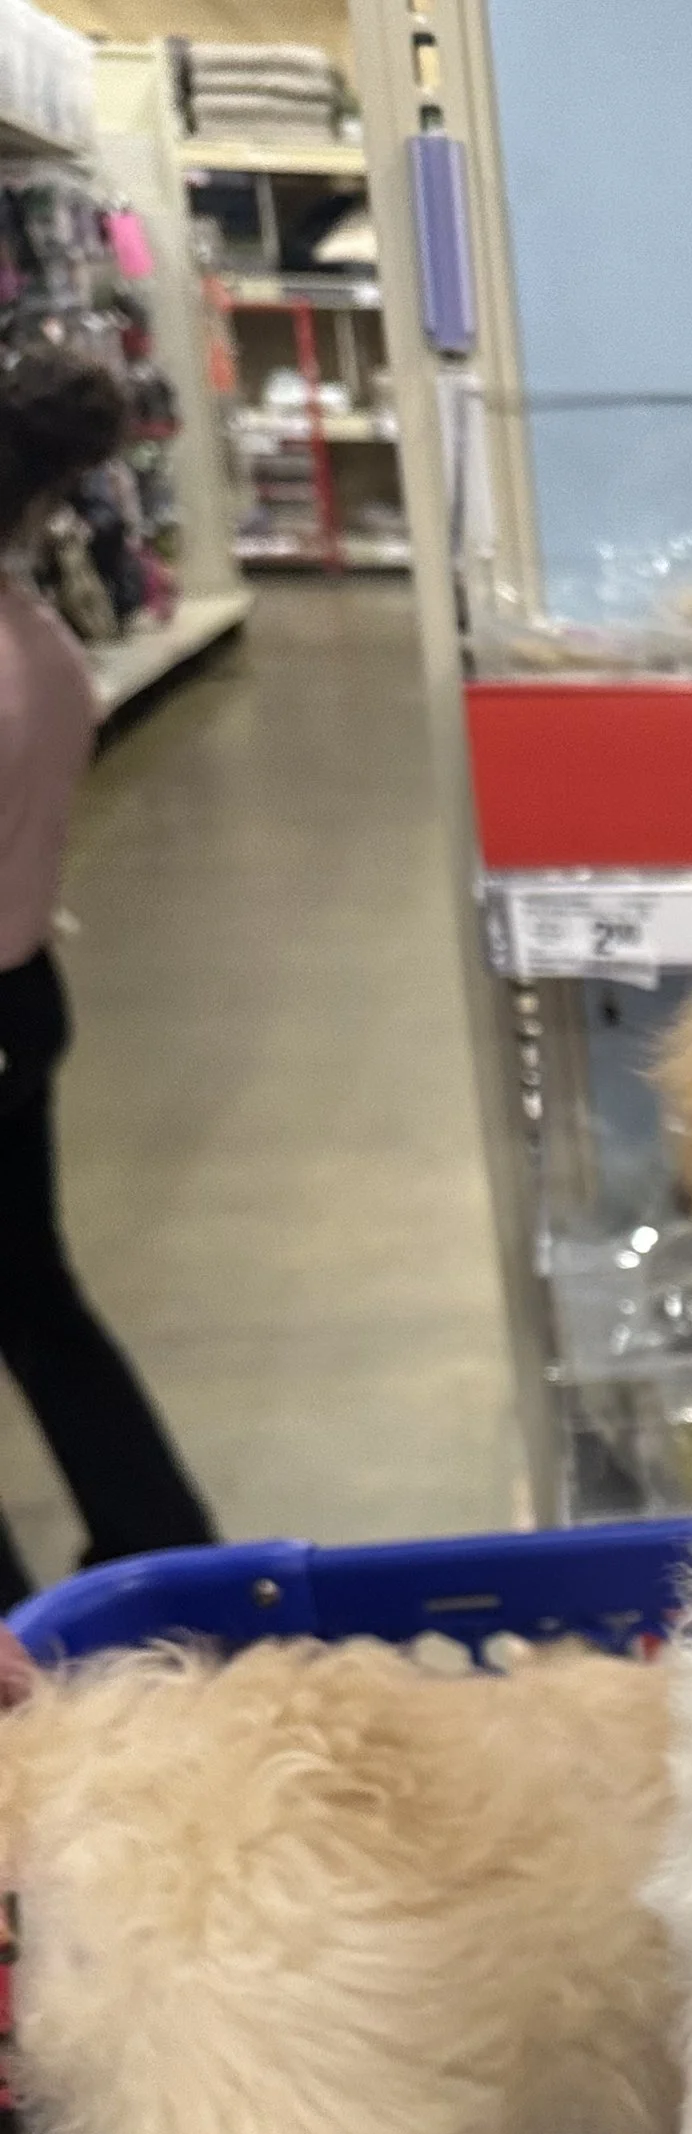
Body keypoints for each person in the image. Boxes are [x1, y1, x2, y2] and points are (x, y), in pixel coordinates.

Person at [0, 347, 214, 1605]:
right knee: (38, 1301)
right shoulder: (44, 649)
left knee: (36, 1299)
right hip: (25, 998)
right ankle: (159, 1536)